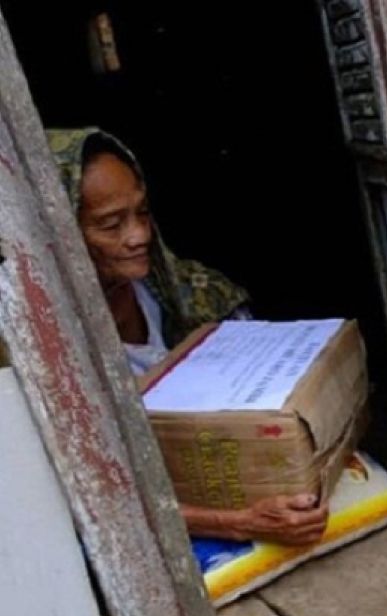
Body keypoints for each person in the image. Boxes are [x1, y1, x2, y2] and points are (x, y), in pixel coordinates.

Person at [49, 128, 327, 546]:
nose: (138, 235)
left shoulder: (190, 292)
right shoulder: (45, 357)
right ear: (59, 235)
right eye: (110, 224)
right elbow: (85, 499)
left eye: (142, 213)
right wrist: (239, 522)